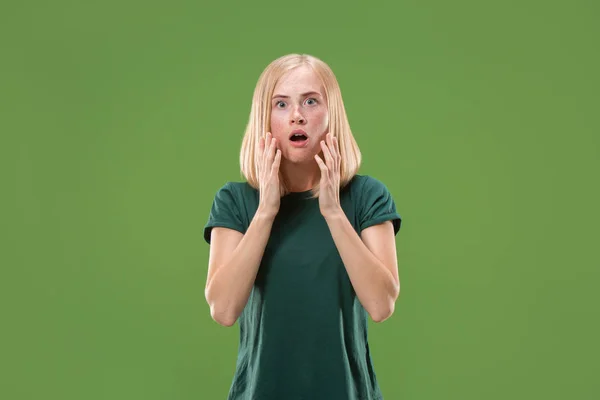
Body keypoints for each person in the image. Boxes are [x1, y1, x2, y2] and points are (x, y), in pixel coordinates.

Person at [203, 53, 403, 400]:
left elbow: (382, 305)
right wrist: (266, 211)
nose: (297, 115)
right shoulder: (235, 202)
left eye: (310, 101)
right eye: (281, 104)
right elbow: (223, 309)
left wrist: (333, 213)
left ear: (331, 114)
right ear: (264, 118)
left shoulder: (367, 196)